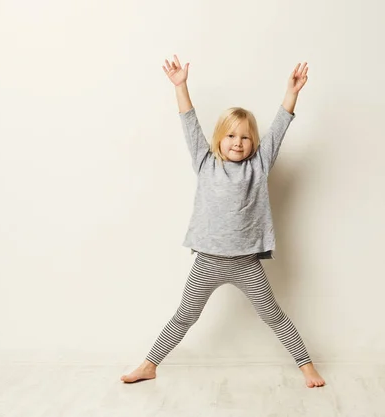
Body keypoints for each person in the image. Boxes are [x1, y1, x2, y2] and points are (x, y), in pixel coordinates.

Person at [121, 55, 325, 388]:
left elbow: (279, 127)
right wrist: (181, 85)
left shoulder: (259, 166)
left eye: (245, 138)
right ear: (219, 139)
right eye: (231, 136)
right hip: (208, 262)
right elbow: (188, 121)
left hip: (246, 263)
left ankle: (306, 367)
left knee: (273, 315)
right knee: (185, 316)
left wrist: (291, 94)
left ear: (254, 143)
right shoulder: (204, 161)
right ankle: (149, 365)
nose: (238, 142)